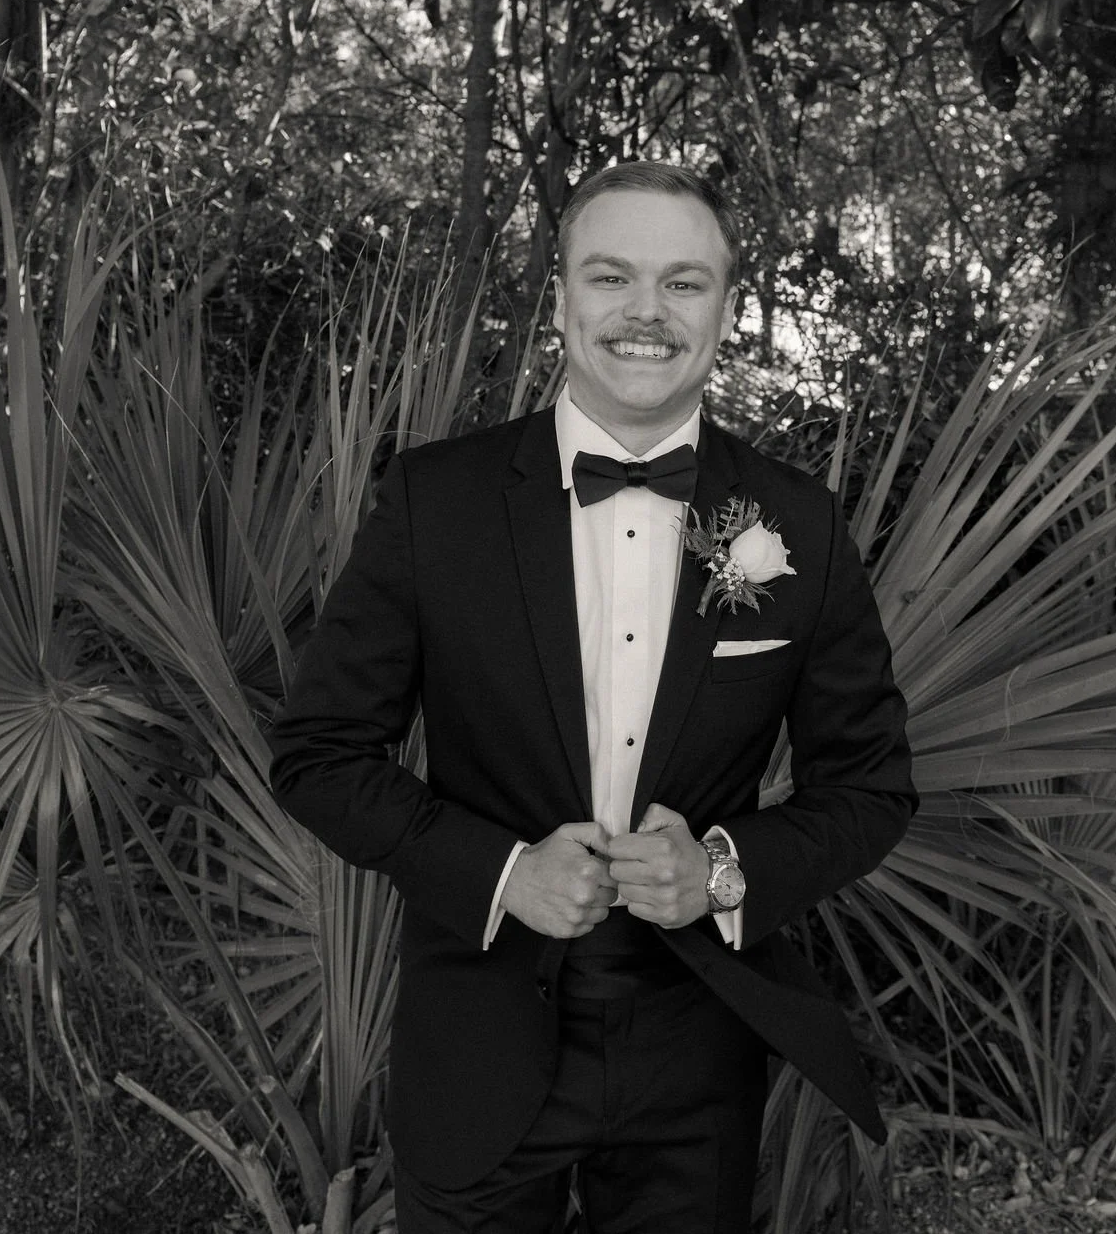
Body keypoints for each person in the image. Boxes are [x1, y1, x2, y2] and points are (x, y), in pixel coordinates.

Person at [269, 161, 915, 1232]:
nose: (645, 313)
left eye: (683, 283)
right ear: (562, 300)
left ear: (724, 309)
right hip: (480, 1021)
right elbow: (319, 753)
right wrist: (504, 873)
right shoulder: (436, 502)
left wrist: (718, 871)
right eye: (610, 276)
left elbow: (871, 789)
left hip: (695, 1037)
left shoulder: (796, 525)